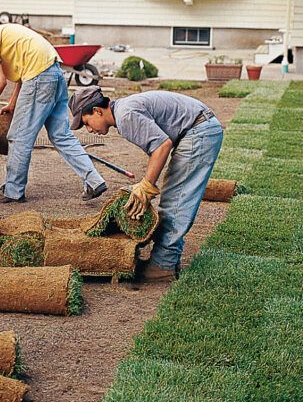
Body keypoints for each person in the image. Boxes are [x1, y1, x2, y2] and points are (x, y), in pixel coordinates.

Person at [69, 85, 223, 282]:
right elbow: (159, 148)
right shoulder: (124, 110)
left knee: (176, 200)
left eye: (86, 123)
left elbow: (162, 146)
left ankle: (163, 266)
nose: (89, 129)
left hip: (198, 131)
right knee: (175, 196)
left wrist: (146, 186)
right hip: (198, 127)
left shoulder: (125, 116)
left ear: (98, 111)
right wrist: (146, 183)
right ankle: (167, 260)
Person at [0, 18, 107, 203]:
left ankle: (13, 191)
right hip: (55, 72)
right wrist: (13, 102)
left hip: (39, 78)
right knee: (61, 135)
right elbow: (23, 71)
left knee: (18, 137)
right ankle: (94, 181)